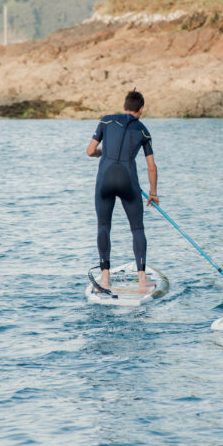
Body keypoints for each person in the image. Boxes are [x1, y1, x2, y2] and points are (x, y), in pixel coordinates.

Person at [85, 90, 158, 294]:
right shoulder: (143, 131)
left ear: (124, 106)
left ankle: (105, 278)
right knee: (137, 229)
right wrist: (153, 193)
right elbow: (151, 166)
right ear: (141, 109)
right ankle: (142, 280)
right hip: (129, 182)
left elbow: (90, 151)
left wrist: (103, 153)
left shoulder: (106, 121)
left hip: (105, 182)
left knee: (103, 226)